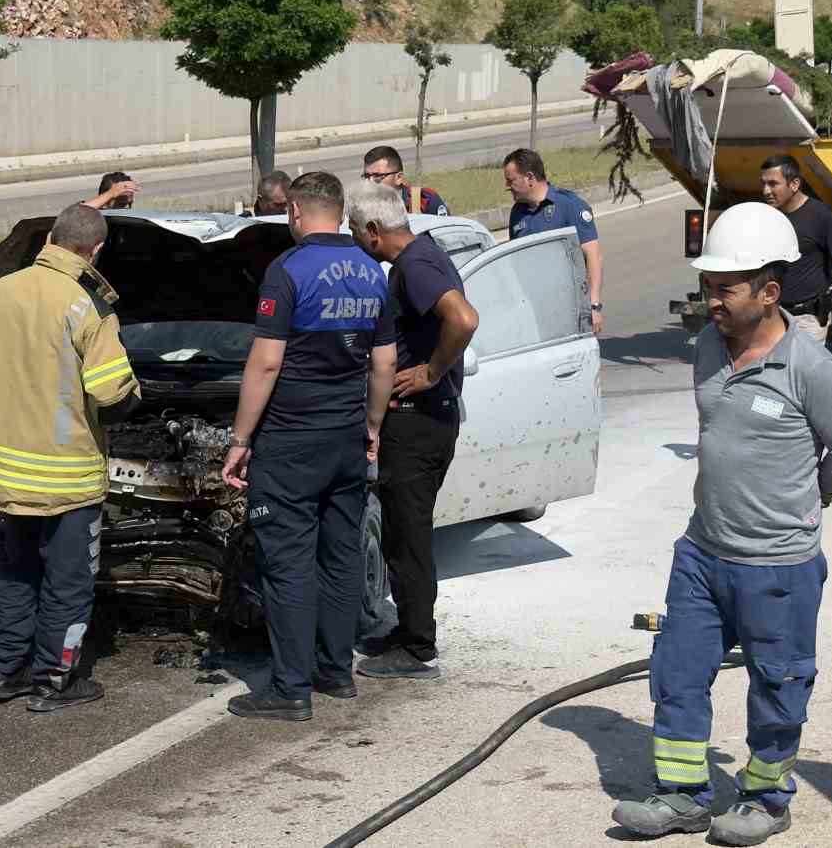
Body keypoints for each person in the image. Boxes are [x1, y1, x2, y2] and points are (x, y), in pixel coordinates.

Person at [612, 203, 832, 845]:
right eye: (709, 286)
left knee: (777, 684)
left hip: (778, 563)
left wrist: (810, 502)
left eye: (726, 288)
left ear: (769, 291)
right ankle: (683, 796)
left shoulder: (809, 367)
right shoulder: (706, 344)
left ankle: (765, 797)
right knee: (675, 671)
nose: (713, 300)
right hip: (701, 553)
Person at [220, 172, 398, 722]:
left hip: (292, 442)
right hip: (346, 437)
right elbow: (384, 363)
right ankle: (335, 671)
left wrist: (241, 439)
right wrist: (371, 429)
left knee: (289, 562)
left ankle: (290, 688)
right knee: (341, 555)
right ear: (340, 212)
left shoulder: (288, 270)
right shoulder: (372, 272)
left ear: (295, 211)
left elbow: (267, 361)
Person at [0, 203, 142, 713]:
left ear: (52, 239)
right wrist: (136, 394)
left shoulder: (1, 291)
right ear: (96, 249)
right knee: (68, 582)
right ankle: (55, 680)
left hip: (6, 474)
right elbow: (112, 393)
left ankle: (3, 671)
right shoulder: (87, 304)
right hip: (66, 480)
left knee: (16, 575)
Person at [345, 180, 479, 681]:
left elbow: (463, 320)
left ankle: (420, 646)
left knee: (409, 536)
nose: (358, 241)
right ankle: (407, 629)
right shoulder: (423, 255)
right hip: (425, 422)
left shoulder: (415, 267)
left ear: (375, 230)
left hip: (417, 422)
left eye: (358, 233)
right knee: (404, 533)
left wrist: (429, 372)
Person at [759, 154, 832, 345]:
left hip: (806, 320)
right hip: (772, 317)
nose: (766, 191)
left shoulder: (821, 216)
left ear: (795, 184)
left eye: (773, 184)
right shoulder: (768, 216)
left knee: (805, 374)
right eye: (763, 183)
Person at [504, 148, 605, 336]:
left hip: (571, 309)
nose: (507, 186)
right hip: (535, 310)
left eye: (511, 180)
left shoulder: (570, 206)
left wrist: (594, 305)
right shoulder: (517, 213)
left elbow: (593, 257)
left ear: (529, 178)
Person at [362, 146, 450, 216]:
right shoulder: (361, 207)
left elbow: (446, 235)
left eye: (377, 176)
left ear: (399, 178)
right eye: (366, 176)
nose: (369, 182)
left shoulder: (424, 200)